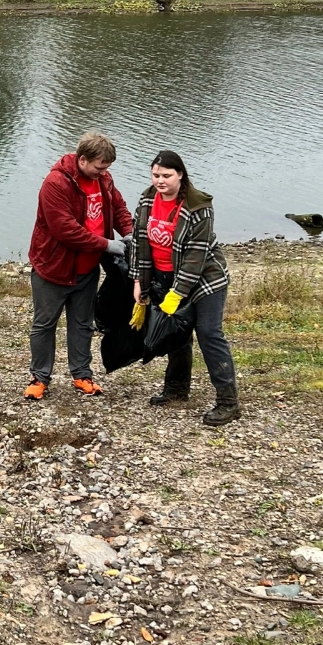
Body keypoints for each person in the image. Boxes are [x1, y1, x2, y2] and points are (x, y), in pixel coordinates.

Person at [132, 149, 239, 426]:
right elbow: (139, 244)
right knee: (176, 334)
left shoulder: (198, 206)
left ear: (180, 174)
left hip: (205, 280)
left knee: (208, 333)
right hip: (164, 278)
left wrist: (177, 293)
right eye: (156, 175)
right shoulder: (146, 200)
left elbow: (196, 255)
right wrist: (138, 281)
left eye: (166, 175)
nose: (160, 181)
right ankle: (176, 390)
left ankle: (228, 402)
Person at [26, 131, 134, 399]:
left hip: (87, 269)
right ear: (83, 160)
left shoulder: (104, 179)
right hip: (53, 268)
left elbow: (119, 209)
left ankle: (82, 375)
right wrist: (108, 245)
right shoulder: (55, 184)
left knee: (83, 324)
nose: (103, 172)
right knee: (44, 324)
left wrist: (129, 232)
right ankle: (39, 378)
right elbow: (65, 230)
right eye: (99, 167)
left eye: (106, 168)